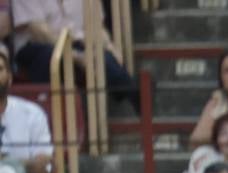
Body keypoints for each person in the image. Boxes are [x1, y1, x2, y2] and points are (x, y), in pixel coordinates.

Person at [10, 0, 139, 112]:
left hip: (77, 41)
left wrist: (110, 46)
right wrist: (76, 57)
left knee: (105, 58)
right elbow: (39, 31)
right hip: (37, 46)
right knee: (52, 58)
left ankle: (136, 96)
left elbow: (97, 26)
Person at [0, 46, 52, 173]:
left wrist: (11, 163)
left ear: (9, 79)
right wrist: (23, 162)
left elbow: (41, 170)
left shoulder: (32, 114)